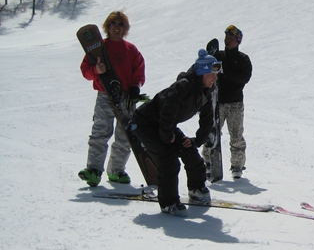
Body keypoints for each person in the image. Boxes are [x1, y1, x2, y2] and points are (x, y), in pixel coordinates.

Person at [130, 50, 221, 216]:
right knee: (169, 160)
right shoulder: (183, 86)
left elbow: (207, 120)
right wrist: (167, 136)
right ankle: (168, 203)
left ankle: (196, 189)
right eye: (212, 73)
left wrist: (196, 141)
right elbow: (168, 110)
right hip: (145, 123)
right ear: (202, 72)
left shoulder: (206, 91)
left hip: (165, 124)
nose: (215, 78)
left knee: (190, 151)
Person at [78, 11, 145, 187]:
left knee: (125, 135)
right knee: (100, 132)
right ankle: (93, 170)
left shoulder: (131, 49)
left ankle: (116, 170)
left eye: (121, 24)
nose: (117, 27)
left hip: (126, 97)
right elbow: (85, 70)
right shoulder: (98, 48)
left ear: (125, 28)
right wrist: (96, 71)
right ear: (107, 26)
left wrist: (135, 88)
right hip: (105, 95)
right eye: (113, 23)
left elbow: (139, 70)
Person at [217, 25, 252, 179]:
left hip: (234, 103)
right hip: (217, 102)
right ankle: (209, 162)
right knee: (211, 134)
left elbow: (244, 78)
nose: (228, 40)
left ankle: (237, 166)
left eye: (231, 38)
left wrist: (225, 72)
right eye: (226, 37)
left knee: (236, 136)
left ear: (238, 41)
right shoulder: (218, 56)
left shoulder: (243, 59)